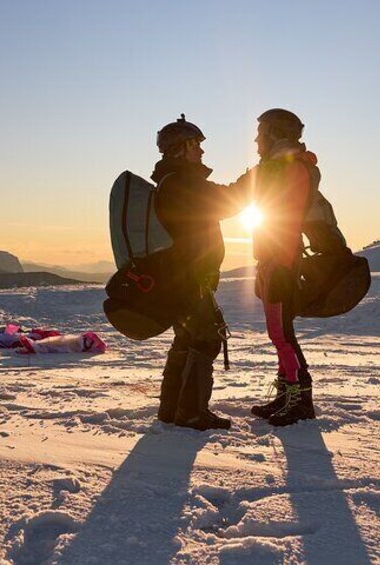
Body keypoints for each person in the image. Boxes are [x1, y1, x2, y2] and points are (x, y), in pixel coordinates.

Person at [152, 114, 249, 431]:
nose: (202, 152)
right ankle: (192, 413)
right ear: (181, 148)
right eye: (196, 145)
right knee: (206, 339)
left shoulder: (172, 182)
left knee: (187, 338)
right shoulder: (183, 183)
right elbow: (227, 201)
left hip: (180, 278)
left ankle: (172, 410)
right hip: (189, 279)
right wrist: (257, 180)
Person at [247, 109, 320, 427]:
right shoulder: (279, 168)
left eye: (261, 133)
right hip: (274, 259)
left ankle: (299, 400)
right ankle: (287, 393)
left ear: (275, 135)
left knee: (282, 334)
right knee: (280, 333)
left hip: (283, 261)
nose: (256, 140)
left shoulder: (290, 169)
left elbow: (285, 216)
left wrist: (278, 262)